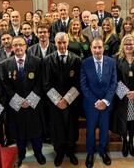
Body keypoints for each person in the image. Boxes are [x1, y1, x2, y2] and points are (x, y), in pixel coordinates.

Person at [0, 36, 46, 166]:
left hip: (33, 103)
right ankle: (20, 154)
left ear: (26, 46)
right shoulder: (4, 64)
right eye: (15, 45)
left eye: (21, 44)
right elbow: (5, 85)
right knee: (19, 132)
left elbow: (40, 82)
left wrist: (30, 100)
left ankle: (38, 153)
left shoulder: (37, 61)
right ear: (12, 47)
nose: (18, 47)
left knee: (36, 131)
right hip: (16, 104)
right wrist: (19, 101)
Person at [43, 32, 81, 167]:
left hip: (71, 101)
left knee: (71, 127)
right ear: (55, 43)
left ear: (68, 42)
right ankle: (59, 152)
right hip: (55, 102)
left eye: (64, 42)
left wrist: (67, 99)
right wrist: (58, 100)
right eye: (59, 42)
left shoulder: (76, 59)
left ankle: (71, 152)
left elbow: (78, 83)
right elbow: (46, 83)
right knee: (57, 127)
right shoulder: (48, 60)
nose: (62, 45)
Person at [81, 37, 117, 167]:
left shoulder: (111, 62)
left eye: (99, 47)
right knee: (90, 130)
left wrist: (106, 101)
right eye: (94, 47)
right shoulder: (85, 63)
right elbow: (84, 86)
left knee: (104, 129)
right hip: (91, 104)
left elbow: (114, 83)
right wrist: (96, 101)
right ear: (91, 48)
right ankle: (90, 152)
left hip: (106, 104)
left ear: (104, 48)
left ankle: (103, 151)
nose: (97, 50)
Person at [111, 34, 134, 157]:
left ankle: (131, 142)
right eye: (126, 44)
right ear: (122, 45)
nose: (128, 46)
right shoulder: (115, 59)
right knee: (123, 121)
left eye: (131, 44)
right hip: (122, 97)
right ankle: (124, 143)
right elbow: (114, 78)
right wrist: (126, 93)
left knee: (132, 121)